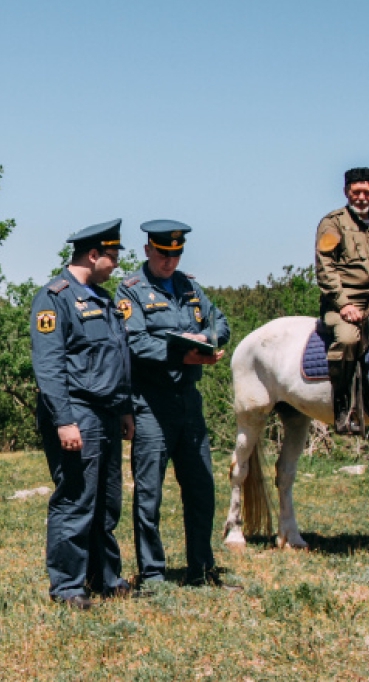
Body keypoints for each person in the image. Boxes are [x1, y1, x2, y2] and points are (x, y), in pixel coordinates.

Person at [115, 220, 233, 590]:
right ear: (148, 250)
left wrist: (205, 338)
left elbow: (221, 323)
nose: (170, 261)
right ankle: (152, 575)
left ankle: (201, 569)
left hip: (189, 404)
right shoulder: (131, 291)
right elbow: (134, 343)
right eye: (164, 254)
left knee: (201, 488)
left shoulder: (189, 286)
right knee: (149, 494)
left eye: (176, 254)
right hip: (151, 403)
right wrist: (184, 355)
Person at [30, 219, 135, 610]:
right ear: (93, 255)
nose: (116, 264)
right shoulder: (54, 298)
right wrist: (64, 419)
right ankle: (68, 587)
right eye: (113, 256)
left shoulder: (104, 299)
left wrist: (124, 408)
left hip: (108, 412)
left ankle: (105, 577)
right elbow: (49, 365)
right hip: (77, 410)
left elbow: (118, 358)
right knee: (75, 499)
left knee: (106, 503)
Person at [314, 167, 369, 434]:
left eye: (367, 192)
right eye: (356, 192)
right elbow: (324, 268)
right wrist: (345, 305)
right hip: (344, 303)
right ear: (346, 192)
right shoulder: (333, 223)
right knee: (349, 339)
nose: (361, 197)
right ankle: (343, 408)